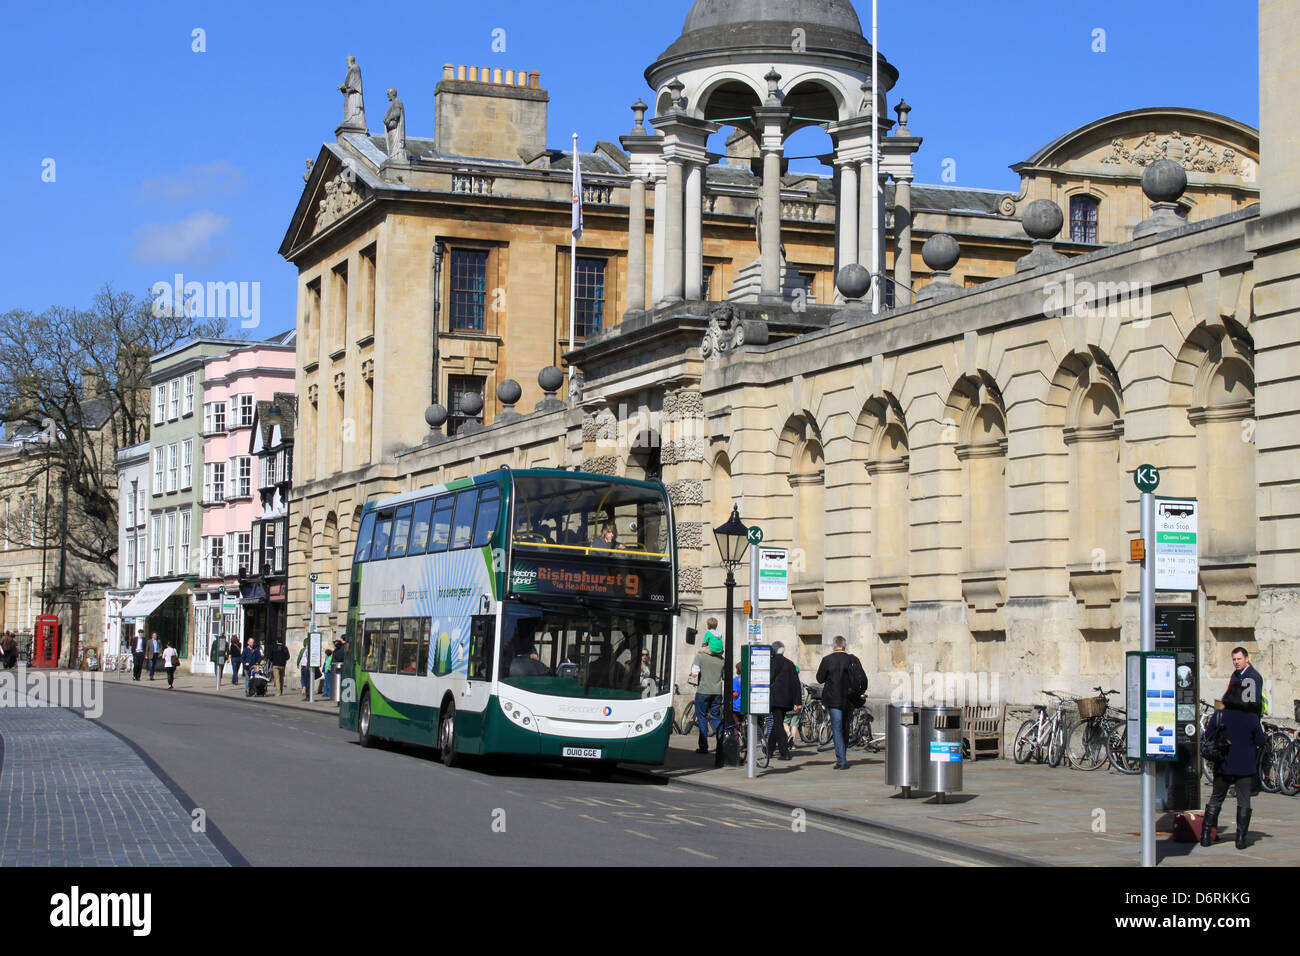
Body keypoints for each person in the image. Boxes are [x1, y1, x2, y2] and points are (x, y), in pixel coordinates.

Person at [1202, 679, 1267, 849]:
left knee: (1216, 798)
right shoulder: (1251, 718)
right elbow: (1261, 740)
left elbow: (1207, 736)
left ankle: (1205, 835)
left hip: (1223, 764)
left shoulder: (1219, 715)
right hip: (1245, 766)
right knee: (1244, 801)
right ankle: (1240, 839)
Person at [816, 635, 868, 770]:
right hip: (849, 699)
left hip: (834, 699)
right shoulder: (853, 659)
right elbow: (863, 679)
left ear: (834, 645)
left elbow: (819, 678)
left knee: (837, 728)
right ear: (844, 645)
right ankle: (842, 755)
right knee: (845, 727)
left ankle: (841, 760)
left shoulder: (827, 660)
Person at [690, 627, 725, 755]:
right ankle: (722, 741)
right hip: (717, 692)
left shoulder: (701, 657)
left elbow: (694, 673)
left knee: (702, 717)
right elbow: (724, 676)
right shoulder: (722, 660)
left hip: (703, 691)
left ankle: (703, 746)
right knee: (716, 717)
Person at [767, 641, 801, 762]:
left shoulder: (771, 662)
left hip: (775, 697)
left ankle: (784, 752)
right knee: (778, 722)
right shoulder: (790, 664)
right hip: (787, 698)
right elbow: (796, 684)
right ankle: (769, 749)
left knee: (778, 724)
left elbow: (768, 679)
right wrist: (797, 701)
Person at [1226, 646, 1265, 716]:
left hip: (1248, 719)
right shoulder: (1235, 674)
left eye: (1239, 659)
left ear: (1246, 659)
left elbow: (1253, 703)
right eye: (1234, 659)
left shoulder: (1253, 676)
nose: (1236, 662)